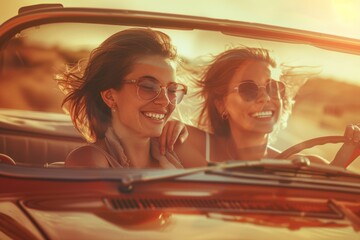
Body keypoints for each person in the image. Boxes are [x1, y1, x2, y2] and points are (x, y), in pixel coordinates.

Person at [175, 47, 360, 168]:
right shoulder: (183, 139)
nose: (265, 97)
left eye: (273, 87)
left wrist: (344, 158)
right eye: (248, 89)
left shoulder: (305, 165)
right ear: (221, 104)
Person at [58, 28, 188, 169]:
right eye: (148, 87)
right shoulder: (89, 159)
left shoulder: (178, 152)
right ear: (110, 97)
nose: (165, 100)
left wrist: (189, 139)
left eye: (172, 90)